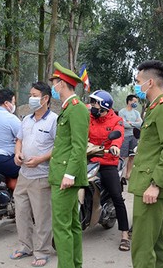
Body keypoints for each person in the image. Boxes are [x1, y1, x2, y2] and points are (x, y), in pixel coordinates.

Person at [129, 60, 163, 268]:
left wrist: (155, 184)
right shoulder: (153, 108)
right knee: (159, 243)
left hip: (151, 186)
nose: (136, 86)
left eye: (138, 81)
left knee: (142, 246)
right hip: (148, 182)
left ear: (150, 82)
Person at [10, 82, 57, 267]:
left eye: (35, 95)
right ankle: (24, 246)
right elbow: (19, 140)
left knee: (42, 215)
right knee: (21, 212)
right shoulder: (27, 119)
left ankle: (43, 251)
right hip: (24, 175)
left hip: (41, 175)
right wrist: (17, 153)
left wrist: (40, 159)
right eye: (30, 94)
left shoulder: (54, 120)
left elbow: (58, 148)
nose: (31, 98)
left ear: (45, 98)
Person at [48, 62, 89, 268]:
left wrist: (70, 175)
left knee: (62, 227)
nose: (53, 88)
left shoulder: (77, 109)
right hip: (62, 174)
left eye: (55, 83)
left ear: (62, 84)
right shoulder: (68, 109)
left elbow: (79, 146)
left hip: (65, 176)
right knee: (72, 225)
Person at [88, 90, 130, 251]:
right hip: (89, 160)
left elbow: (118, 134)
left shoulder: (116, 120)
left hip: (107, 161)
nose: (92, 106)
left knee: (116, 196)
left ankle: (125, 234)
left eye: (95, 103)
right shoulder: (89, 117)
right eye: (91, 102)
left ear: (104, 105)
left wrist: (114, 146)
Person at [118, 95, 142, 179]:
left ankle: (128, 174)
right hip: (125, 136)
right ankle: (121, 173)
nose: (135, 103)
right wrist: (134, 123)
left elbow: (140, 124)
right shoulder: (122, 112)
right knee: (123, 156)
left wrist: (130, 123)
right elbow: (124, 124)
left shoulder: (136, 113)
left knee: (132, 156)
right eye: (134, 101)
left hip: (134, 136)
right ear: (129, 101)